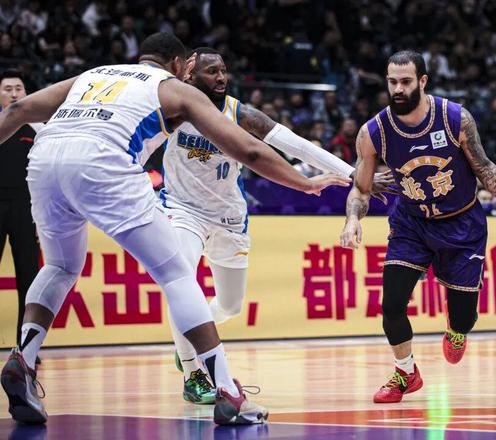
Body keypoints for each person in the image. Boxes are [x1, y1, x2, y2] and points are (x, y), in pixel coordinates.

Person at [0, 32, 348, 426]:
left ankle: (23, 360)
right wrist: (305, 184)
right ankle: (227, 391)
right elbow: (249, 150)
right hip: (104, 162)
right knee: (178, 275)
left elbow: (19, 109)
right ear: (181, 65)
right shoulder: (172, 88)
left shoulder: (94, 74)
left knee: (60, 267)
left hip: (45, 159)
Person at [162, 47, 390, 404]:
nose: (221, 77)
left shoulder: (239, 113)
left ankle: (191, 337)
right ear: (190, 75)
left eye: (223, 70)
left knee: (230, 306)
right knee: (182, 283)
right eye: (211, 71)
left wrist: (354, 175)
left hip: (227, 217)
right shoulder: (171, 108)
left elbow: (297, 145)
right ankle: (193, 372)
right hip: (182, 209)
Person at [340, 51, 496, 404]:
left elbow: (484, 168)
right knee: (391, 304)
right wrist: (352, 219)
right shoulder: (373, 132)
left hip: (462, 224)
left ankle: (456, 330)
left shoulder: (455, 118)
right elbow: (361, 190)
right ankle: (406, 373)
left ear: (422, 81)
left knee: (464, 317)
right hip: (412, 224)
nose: (397, 89)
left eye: (405, 81)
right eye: (392, 82)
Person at [0, 69, 41, 352]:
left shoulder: (37, 128)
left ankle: (25, 349)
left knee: (29, 279)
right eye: (8, 89)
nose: (14, 94)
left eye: (19, 88)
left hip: (26, 210)